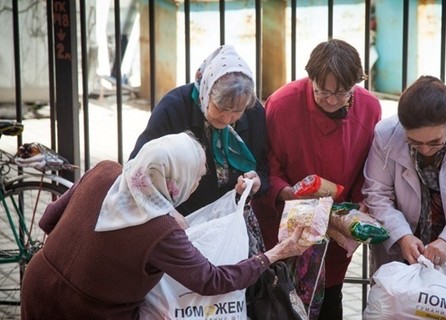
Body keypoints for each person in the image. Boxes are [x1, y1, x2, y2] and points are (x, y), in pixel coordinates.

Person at [20, 132, 309, 319]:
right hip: (87, 312)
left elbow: (48, 220)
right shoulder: (159, 232)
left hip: (37, 286)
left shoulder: (105, 171)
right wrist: (274, 254)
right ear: (174, 183)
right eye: (195, 177)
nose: (197, 184)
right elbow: (211, 280)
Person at [252, 38, 382, 320]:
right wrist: (284, 191)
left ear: (356, 84)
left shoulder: (370, 108)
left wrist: (360, 202)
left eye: (343, 92)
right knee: (280, 298)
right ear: (310, 78)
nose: (333, 100)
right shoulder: (281, 103)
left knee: (329, 295)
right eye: (323, 92)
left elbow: (370, 166)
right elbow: (266, 162)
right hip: (285, 219)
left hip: (335, 225)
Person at [362, 75, 446, 273]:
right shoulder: (386, 134)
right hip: (402, 251)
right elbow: (376, 194)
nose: (425, 149)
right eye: (414, 142)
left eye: (435, 142)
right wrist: (402, 236)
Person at [129, 44, 268, 216]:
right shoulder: (174, 109)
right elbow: (138, 170)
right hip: (181, 219)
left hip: (231, 219)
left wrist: (257, 182)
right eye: (220, 107)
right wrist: (168, 214)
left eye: (236, 111)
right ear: (206, 91)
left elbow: (264, 164)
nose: (226, 119)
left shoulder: (252, 111)